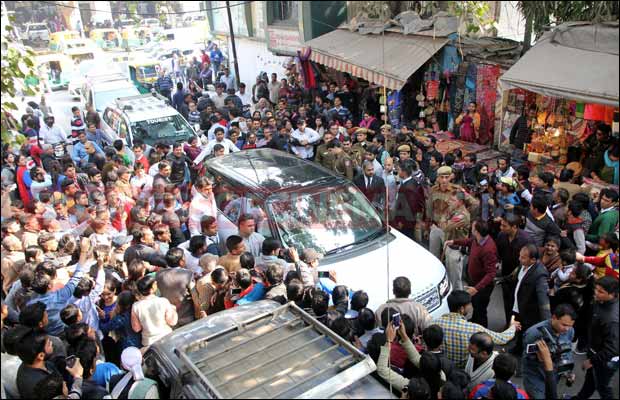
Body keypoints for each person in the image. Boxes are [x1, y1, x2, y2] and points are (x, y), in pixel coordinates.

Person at [435, 290, 519, 369]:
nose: (471, 306)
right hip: (464, 369)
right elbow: (502, 338)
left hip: (443, 367)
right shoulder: (472, 328)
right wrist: (512, 326)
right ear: (461, 309)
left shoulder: (436, 323)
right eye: (469, 304)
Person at [446, 220, 498, 328]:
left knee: (480, 309)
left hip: (482, 287)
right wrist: (454, 241)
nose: (471, 228)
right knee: (475, 305)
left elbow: (491, 273)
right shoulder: (478, 240)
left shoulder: (488, 249)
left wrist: (476, 288)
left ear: (477, 231)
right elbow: (469, 242)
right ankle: (474, 322)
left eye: (473, 227)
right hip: (474, 281)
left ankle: (481, 330)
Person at [574, 276, 619, 400]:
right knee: (591, 381)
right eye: (596, 289)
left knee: (603, 387)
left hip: (605, 360)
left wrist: (592, 361)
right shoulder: (601, 302)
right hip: (595, 353)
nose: (596, 293)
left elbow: (612, 349)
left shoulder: (612, 320)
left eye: (601, 292)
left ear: (613, 294)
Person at [521, 303, 575, 399]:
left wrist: (567, 371)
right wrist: (541, 357)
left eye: (570, 326)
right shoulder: (534, 333)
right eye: (564, 325)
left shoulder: (570, 331)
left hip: (554, 375)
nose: (567, 329)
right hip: (536, 377)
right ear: (554, 317)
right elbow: (527, 357)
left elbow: (568, 351)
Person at [509, 244, 551, 356]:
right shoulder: (523, 265)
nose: (519, 259)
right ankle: (517, 348)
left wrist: (547, 324)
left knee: (526, 334)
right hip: (518, 307)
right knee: (518, 329)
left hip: (529, 313)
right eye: (520, 256)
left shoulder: (540, 274)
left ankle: (524, 355)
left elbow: (543, 300)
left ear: (533, 260)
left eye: (523, 257)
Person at [496, 215, 533, 327]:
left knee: (518, 304)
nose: (501, 228)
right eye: (501, 225)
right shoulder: (501, 236)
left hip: (520, 277)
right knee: (507, 302)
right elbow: (498, 252)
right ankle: (509, 325)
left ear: (514, 227)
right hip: (506, 275)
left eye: (504, 226)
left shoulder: (526, 240)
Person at [131, 274, 178, 347]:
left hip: (149, 344)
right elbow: (172, 322)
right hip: (166, 338)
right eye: (155, 283)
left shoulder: (136, 306)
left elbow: (136, 328)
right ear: (152, 287)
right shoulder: (163, 301)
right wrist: (173, 310)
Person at [391, 159, 425, 240]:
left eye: (399, 170)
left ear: (404, 172)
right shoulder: (411, 182)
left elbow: (410, 207)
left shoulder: (408, 187)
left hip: (406, 223)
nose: (398, 172)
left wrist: (402, 222)